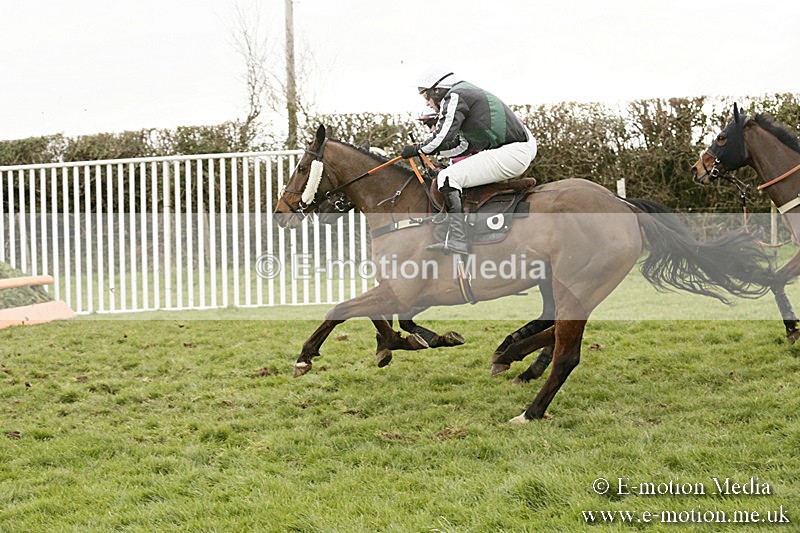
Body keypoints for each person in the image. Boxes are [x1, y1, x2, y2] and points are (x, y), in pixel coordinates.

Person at [401, 68, 537, 254]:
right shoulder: (464, 94)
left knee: (448, 179)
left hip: (513, 151)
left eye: (426, 95)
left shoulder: (455, 95)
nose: (427, 102)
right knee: (449, 176)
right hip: (515, 150)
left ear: (437, 91)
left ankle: (459, 239)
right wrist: (429, 153)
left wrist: (418, 149)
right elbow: (464, 146)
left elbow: (442, 135)